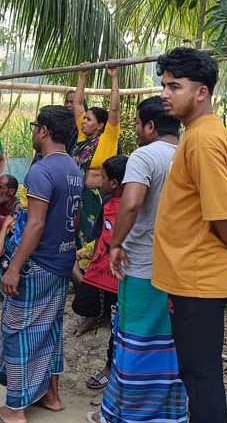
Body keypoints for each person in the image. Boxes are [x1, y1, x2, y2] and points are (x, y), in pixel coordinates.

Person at [151, 47, 227, 422]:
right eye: (164, 85)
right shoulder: (200, 133)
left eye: (175, 86)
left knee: (201, 378)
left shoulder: (202, 139)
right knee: (198, 375)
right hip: (191, 275)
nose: (165, 94)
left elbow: (221, 212)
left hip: (197, 278)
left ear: (201, 92)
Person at [0, 105, 83, 423]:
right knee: (50, 328)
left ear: (45, 131)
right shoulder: (73, 169)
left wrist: (13, 267)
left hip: (37, 265)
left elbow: (34, 225)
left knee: (18, 332)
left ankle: (13, 411)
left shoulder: (41, 170)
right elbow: (74, 222)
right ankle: (51, 395)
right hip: (60, 263)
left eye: (36, 126)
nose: (34, 132)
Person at [88, 96, 187, 423]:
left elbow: (130, 205)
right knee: (167, 345)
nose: (135, 130)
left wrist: (116, 244)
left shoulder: (144, 156)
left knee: (134, 342)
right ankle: (166, 413)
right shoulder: (187, 155)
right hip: (178, 269)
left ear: (150, 126)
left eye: (137, 124)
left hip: (143, 266)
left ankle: (130, 414)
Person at [71, 155, 127, 391]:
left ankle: (110, 367)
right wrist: (83, 254)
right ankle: (96, 316)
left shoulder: (133, 207)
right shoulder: (106, 203)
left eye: (102, 177)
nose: (99, 180)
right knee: (82, 304)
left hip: (122, 278)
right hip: (100, 271)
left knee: (119, 326)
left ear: (113, 183)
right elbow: (99, 237)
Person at [72, 67, 121, 245]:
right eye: (84, 119)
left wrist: (114, 78)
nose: (84, 121)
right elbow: (78, 105)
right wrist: (83, 76)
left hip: (98, 198)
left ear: (100, 125)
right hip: (79, 197)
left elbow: (114, 112)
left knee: (94, 239)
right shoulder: (82, 137)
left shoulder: (108, 138)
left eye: (89, 119)